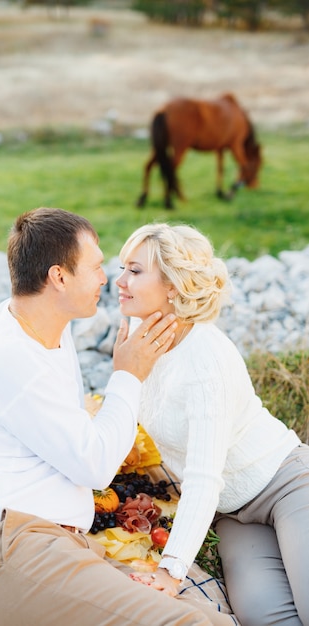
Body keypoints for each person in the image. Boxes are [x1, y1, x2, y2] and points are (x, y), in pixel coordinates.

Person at [0, 207, 235, 626]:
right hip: (2, 556)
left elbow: (76, 442)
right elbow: (95, 466)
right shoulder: (10, 357)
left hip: (45, 547)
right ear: (59, 277)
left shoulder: (47, 329)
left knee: (205, 612)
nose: (106, 279)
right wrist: (128, 376)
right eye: (97, 267)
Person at [116, 222, 309, 626]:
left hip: (286, 484)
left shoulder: (206, 358)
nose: (120, 281)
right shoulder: (139, 334)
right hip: (234, 513)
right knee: (266, 617)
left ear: (172, 285)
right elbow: (122, 419)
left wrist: (172, 570)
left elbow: (204, 477)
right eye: (122, 269)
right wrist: (123, 372)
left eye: (134, 271)